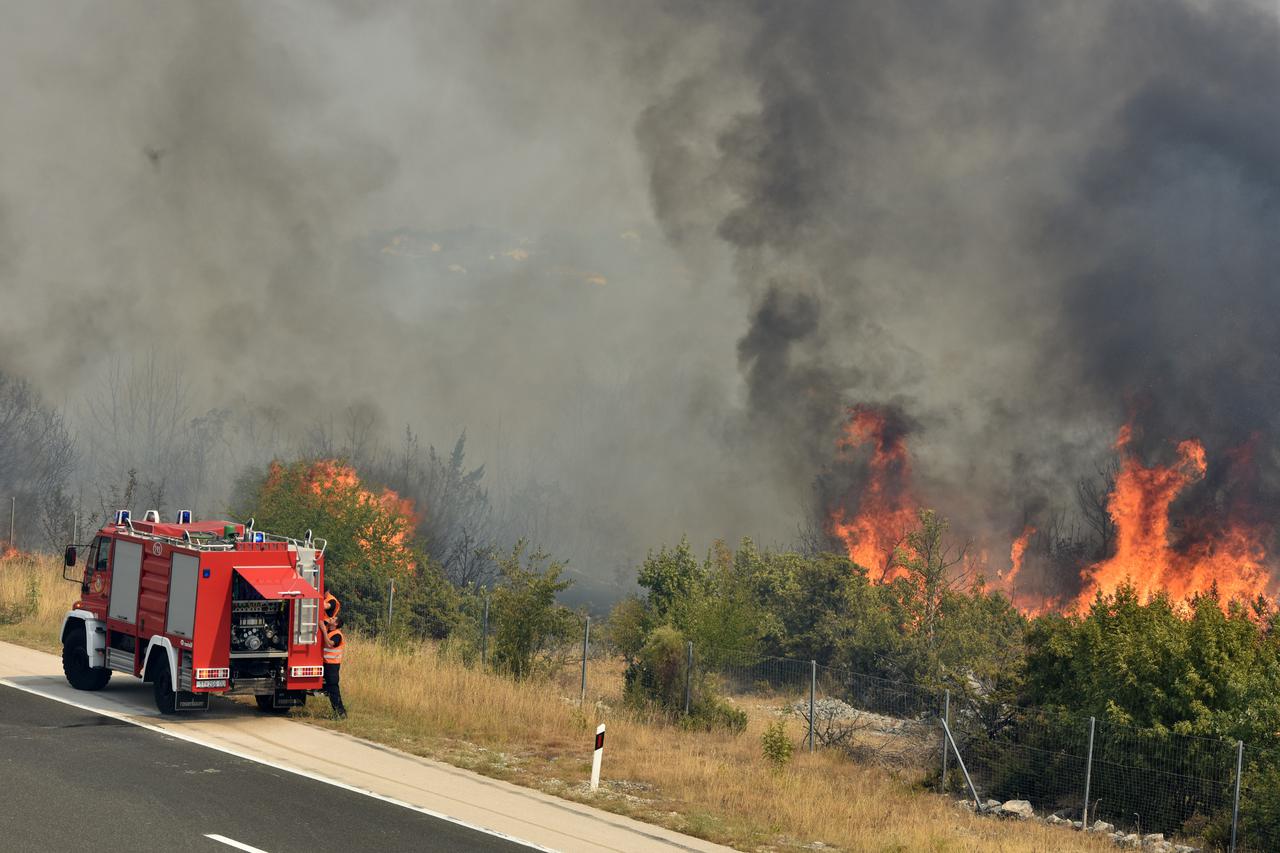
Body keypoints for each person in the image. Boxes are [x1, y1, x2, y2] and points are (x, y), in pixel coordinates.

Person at [321, 610, 347, 719]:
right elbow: (323, 621)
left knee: (333, 689)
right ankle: (337, 712)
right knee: (329, 689)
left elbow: (329, 644)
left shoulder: (337, 635)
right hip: (326, 664)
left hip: (332, 666)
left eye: (333, 619)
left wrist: (323, 630)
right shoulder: (329, 630)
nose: (331, 618)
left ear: (336, 624)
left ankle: (341, 713)